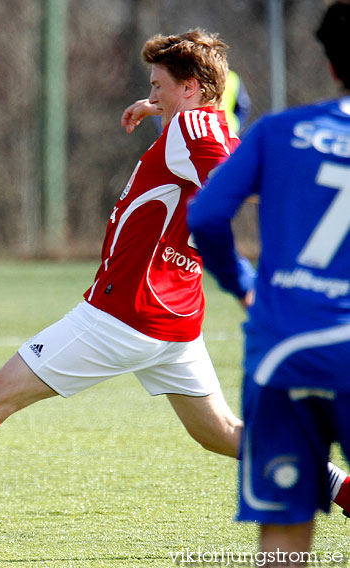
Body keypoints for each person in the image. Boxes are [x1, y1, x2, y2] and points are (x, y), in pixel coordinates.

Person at [0, 28, 350, 525]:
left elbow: (238, 177)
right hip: (176, 320)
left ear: (189, 88)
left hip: (123, 316)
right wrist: (156, 107)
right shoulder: (201, 121)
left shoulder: (190, 127)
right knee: (223, 434)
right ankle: (344, 490)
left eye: (158, 84)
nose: (151, 92)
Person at [188, 2, 350, 564]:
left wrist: (241, 283)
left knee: (283, 535)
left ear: (331, 64)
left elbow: (206, 216)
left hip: (282, 347)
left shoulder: (280, 131)